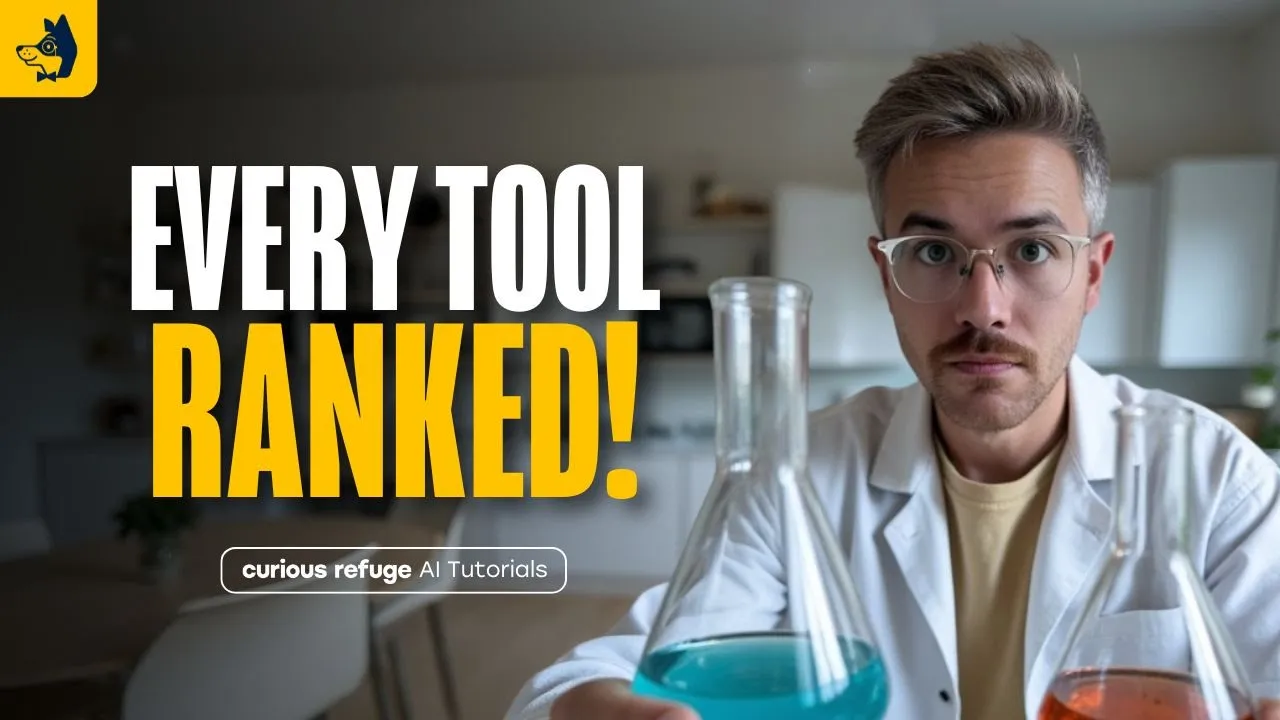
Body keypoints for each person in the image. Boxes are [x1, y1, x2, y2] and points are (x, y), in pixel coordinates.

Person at [503, 39, 1280, 720]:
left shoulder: (1222, 485)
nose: (984, 307)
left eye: (1033, 250)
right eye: (934, 252)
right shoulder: (803, 470)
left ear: (1094, 273)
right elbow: (590, 678)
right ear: (886, 274)